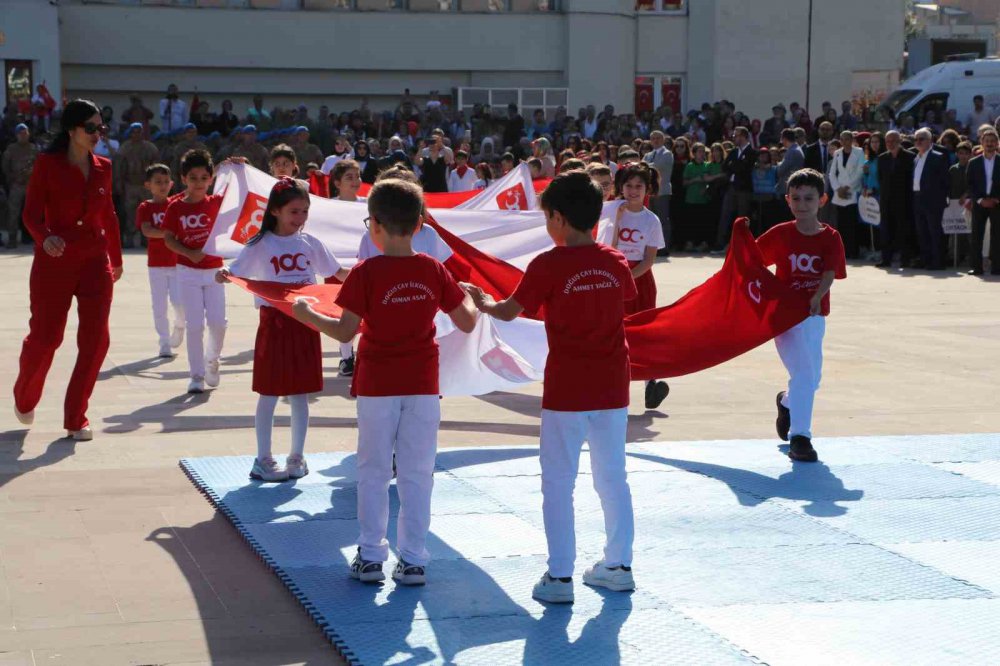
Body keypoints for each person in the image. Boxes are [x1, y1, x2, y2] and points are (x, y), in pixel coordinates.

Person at [292, 178, 477, 586]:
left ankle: (372, 555)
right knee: (417, 471)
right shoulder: (433, 269)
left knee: (373, 470)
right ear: (419, 225)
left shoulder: (365, 272)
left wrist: (306, 316)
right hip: (423, 384)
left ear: (373, 225)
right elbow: (465, 321)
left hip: (377, 385)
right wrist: (469, 299)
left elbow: (344, 333)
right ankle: (413, 560)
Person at [465, 170, 637, 604]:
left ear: (557, 218)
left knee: (559, 482)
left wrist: (482, 302)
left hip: (568, 389)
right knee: (612, 477)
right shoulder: (614, 261)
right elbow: (622, 302)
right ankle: (618, 565)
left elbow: (508, 312)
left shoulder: (548, 264)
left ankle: (560, 577)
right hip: (613, 386)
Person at [218, 178, 348, 482]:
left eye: (304, 211)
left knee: (300, 392)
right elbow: (235, 271)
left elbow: (336, 273)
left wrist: (367, 274)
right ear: (275, 211)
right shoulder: (260, 243)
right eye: (294, 211)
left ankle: (296, 457)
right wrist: (224, 274)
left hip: (306, 321)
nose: (300, 218)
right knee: (269, 392)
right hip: (274, 324)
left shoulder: (310, 242)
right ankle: (263, 459)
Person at [14, 99, 124, 440]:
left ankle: (76, 416)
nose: (96, 134)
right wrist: (44, 238)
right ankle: (25, 395)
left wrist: (116, 259)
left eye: (100, 128)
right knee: (47, 338)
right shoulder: (47, 164)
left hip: (94, 260)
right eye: (90, 128)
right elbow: (30, 214)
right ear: (72, 129)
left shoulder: (104, 166)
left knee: (97, 340)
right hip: (55, 261)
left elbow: (108, 215)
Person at [757, 168, 847, 463]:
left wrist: (817, 295)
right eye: (796, 198)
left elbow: (830, 272)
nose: (802, 204)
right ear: (788, 200)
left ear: (822, 200)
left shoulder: (830, 237)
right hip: (784, 318)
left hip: (814, 315)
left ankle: (786, 402)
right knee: (804, 374)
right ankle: (801, 437)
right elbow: (752, 261)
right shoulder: (780, 234)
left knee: (812, 379)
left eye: (809, 198)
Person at [601, 162, 669, 409]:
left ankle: (651, 381)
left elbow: (649, 259)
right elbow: (608, 246)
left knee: (643, 330)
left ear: (647, 188)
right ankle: (613, 382)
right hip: (611, 276)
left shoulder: (652, 220)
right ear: (620, 187)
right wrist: (616, 221)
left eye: (638, 186)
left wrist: (628, 279)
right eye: (628, 186)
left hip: (639, 280)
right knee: (614, 331)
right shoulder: (611, 211)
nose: (633, 191)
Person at [162, 149, 228, 394]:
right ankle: (196, 375)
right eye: (193, 177)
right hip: (187, 272)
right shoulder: (175, 208)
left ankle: (212, 359)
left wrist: (237, 166)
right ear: (183, 179)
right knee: (195, 325)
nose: (198, 183)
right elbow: (168, 239)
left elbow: (240, 192)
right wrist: (189, 253)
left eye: (203, 177)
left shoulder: (217, 203)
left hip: (215, 271)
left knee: (218, 324)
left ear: (210, 179)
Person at [136, 163, 186, 359]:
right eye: (158, 182)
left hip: (176, 263)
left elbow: (197, 184)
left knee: (178, 302)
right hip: (156, 265)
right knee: (159, 305)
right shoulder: (145, 207)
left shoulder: (176, 203)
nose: (163, 185)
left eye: (166, 182)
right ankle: (164, 341)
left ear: (172, 183)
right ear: (148, 185)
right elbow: (147, 230)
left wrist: (221, 167)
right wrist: (169, 234)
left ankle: (180, 325)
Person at [909, 128, 950, 270]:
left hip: (933, 201)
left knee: (934, 231)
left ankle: (938, 261)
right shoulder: (916, 158)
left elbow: (944, 181)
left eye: (921, 139)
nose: (918, 142)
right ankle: (926, 260)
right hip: (918, 199)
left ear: (929, 140)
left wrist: (940, 199)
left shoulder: (938, 157)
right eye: (916, 139)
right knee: (922, 232)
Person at [115, 123, 161, 248]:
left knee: (147, 211)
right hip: (130, 185)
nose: (136, 134)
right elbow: (118, 167)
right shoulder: (124, 148)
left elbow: (156, 167)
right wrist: (119, 183)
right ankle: (129, 238)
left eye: (139, 132)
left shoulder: (150, 148)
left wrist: (155, 184)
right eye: (134, 132)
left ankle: (146, 238)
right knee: (130, 212)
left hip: (146, 185)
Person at [876, 131, 916, 268]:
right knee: (886, 230)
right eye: (888, 141)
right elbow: (881, 178)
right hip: (887, 200)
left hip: (904, 199)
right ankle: (886, 259)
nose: (890, 144)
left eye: (893, 141)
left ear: (899, 141)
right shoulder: (882, 158)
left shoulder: (910, 157)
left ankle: (905, 259)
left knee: (904, 230)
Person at [715, 127, 756, 251]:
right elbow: (725, 166)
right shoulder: (733, 152)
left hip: (743, 189)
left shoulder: (752, 152)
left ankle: (742, 244)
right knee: (725, 215)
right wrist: (735, 165)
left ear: (743, 136)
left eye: (737, 135)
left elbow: (744, 168)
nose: (734, 138)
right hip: (731, 187)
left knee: (742, 217)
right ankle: (720, 243)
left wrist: (734, 165)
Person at [966, 127, 1000, 275]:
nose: (990, 144)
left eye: (993, 141)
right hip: (979, 204)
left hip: (997, 204)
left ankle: (997, 267)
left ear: (998, 143)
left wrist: (996, 199)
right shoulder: (973, 162)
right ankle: (977, 267)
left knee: (997, 236)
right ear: (981, 142)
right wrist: (980, 200)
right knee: (976, 235)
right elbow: (969, 184)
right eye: (987, 141)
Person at [828, 130, 865, 259]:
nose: (844, 142)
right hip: (839, 193)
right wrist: (838, 188)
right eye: (842, 139)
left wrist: (847, 187)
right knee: (841, 223)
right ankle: (842, 251)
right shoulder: (837, 153)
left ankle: (853, 251)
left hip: (852, 191)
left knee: (852, 223)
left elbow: (860, 171)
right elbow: (832, 173)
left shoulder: (859, 152)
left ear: (851, 139)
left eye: (847, 139)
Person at [2, 123, 37, 248]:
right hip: (16, 185)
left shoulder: (34, 148)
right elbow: (5, 166)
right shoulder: (11, 149)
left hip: (31, 185)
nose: (24, 136)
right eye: (21, 133)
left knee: (33, 212)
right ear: (16, 135)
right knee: (13, 212)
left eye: (25, 133)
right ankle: (12, 239)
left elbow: (39, 165)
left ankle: (34, 237)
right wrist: (11, 178)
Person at [641, 131, 673, 254]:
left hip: (662, 191)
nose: (655, 141)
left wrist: (645, 165)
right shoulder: (649, 154)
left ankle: (664, 248)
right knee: (650, 220)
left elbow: (654, 167)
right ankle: (651, 247)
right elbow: (642, 166)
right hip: (650, 191)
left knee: (663, 220)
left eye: (658, 138)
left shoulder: (667, 154)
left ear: (663, 140)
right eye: (653, 138)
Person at [751, 148, 778, 234]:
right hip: (756, 198)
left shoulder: (774, 168)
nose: (763, 157)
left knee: (769, 222)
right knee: (757, 222)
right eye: (761, 155)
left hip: (769, 198)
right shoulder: (753, 168)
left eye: (765, 155)